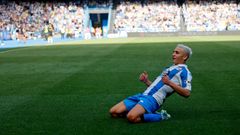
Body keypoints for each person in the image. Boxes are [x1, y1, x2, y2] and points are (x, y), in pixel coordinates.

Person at [109, 44, 193, 123]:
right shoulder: (170, 68)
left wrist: (169, 83)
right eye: (173, 52)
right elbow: (157, 87)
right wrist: (146, 81)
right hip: (144, 95)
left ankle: (161, 116)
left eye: (177, 53)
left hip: (154, 99)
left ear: (185, 56)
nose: (173, 54)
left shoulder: (184, 72)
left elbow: (187, 93)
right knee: (113, 112)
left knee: (131, 117)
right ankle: (140, 111)